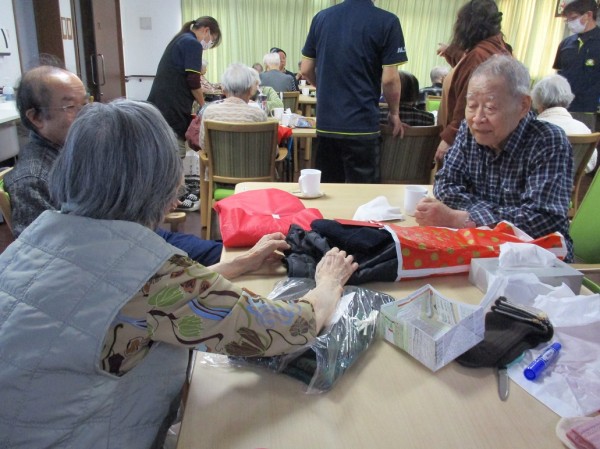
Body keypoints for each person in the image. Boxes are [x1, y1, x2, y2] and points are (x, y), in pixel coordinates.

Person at [0, 98, 358, 449]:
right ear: (158, 181)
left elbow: (124, 294)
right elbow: (289, 328)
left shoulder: (37, 237)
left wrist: (238, 264)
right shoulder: (155, 279)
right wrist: (328, 283)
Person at [5, 65, 222, 265]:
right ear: (36, 118)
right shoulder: (33, 179)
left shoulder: (84, 148)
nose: (86, 113)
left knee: (220, 252)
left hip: (134, 237)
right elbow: (47, 257)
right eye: (70, 106)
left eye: (85, 103)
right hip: (114, 256)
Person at [415, 55, 574, 261]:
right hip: (480, 250)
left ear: (523, 106)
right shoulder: (469, 131)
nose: (477, 118)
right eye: (472, 105)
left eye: (490, 108)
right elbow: (445, 185)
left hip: (537, 261)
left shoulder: (548, 141)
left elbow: (543, 220)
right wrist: (485, 218)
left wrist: (462, 219)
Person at [300, 0, 408, 183]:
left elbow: (305, 68)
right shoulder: (388, 21)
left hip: (327, 123)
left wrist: (324, 86)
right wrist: (394, 112)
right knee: (363, 192)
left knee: (329, 189)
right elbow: (389, 79)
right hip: (362, 124)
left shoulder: (321, 18)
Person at [435, 0, 511, 163]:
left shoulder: (478, 55)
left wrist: (449, 138)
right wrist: (451, 51)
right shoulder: (499, 48)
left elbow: (468, 102)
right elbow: (465, 68)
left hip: (471, 139)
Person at [147, 17, 221, 158]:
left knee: (163, 151)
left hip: (161, 104)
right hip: (172, 107)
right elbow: (193, 81)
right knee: (175, 152)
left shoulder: (181, 38)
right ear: (206, 30)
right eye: (212, 40)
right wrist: (203, 106)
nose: (209, 44)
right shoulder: (192, 43)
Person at [532, 73, 597, 172]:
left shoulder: (532, 128)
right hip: (569, 181)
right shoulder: (584, 129)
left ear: (537, 100)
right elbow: (590, 164)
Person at [553, 0, 600, 131]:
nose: (570, 23)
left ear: (588, 15)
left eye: (573, 18)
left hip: (589, 111)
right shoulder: (565, 44)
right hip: (563, 109)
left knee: (584, 143)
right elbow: (559, 75)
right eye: (567, 20)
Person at [199, 63, 269, 149]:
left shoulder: (210, 112)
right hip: (250, 158)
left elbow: (203, 145)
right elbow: (269, 148)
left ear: (223, 90)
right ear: (250, 90)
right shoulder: (258, 114)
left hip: (219, 158)